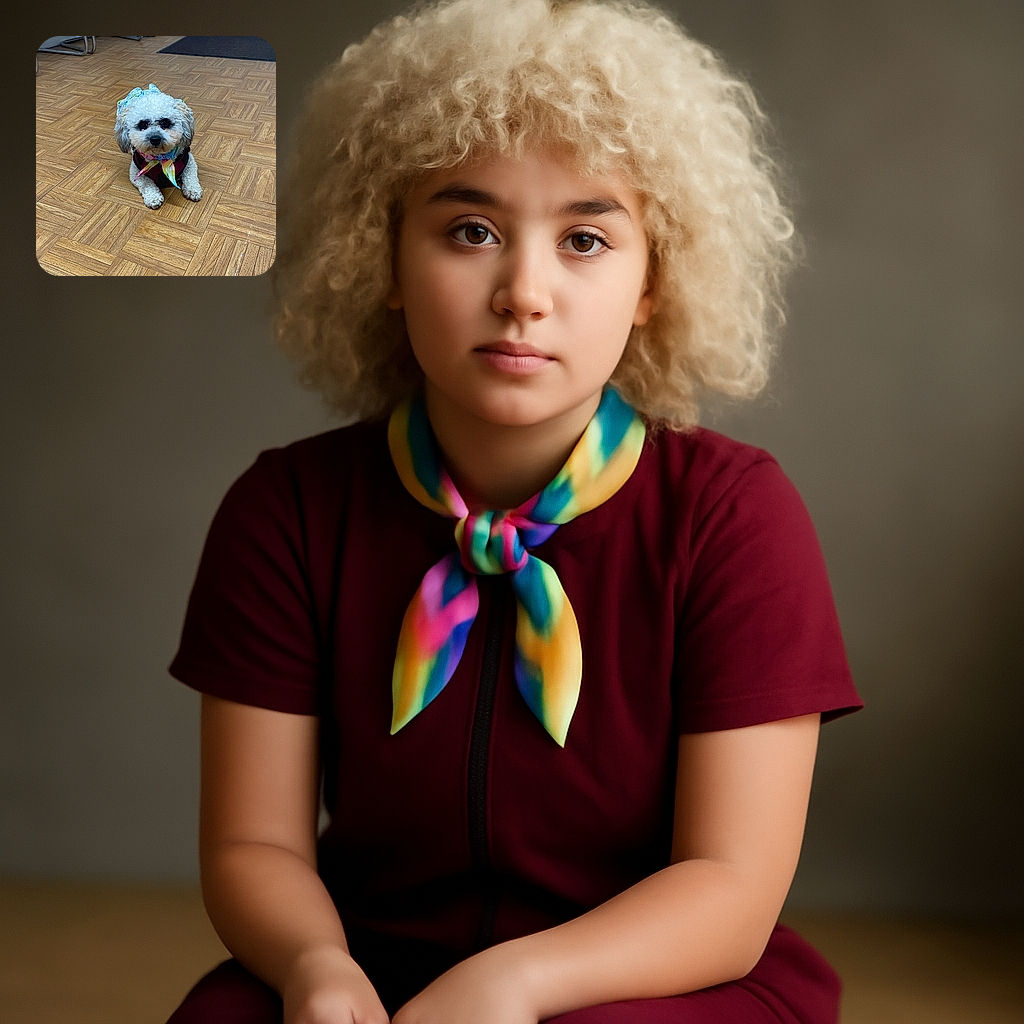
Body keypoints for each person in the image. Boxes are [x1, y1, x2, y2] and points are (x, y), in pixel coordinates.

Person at [166, 1, 862, 1021]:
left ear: (653, 283)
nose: (523, 292)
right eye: (470, 231)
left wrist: (515, 986)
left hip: (646, 976)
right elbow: (253, 843)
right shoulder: (288, 511)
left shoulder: (733, 517)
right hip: (368, 960)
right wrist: (317, 966)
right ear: (383, 257)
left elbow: (730, 885)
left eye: (585, 238)